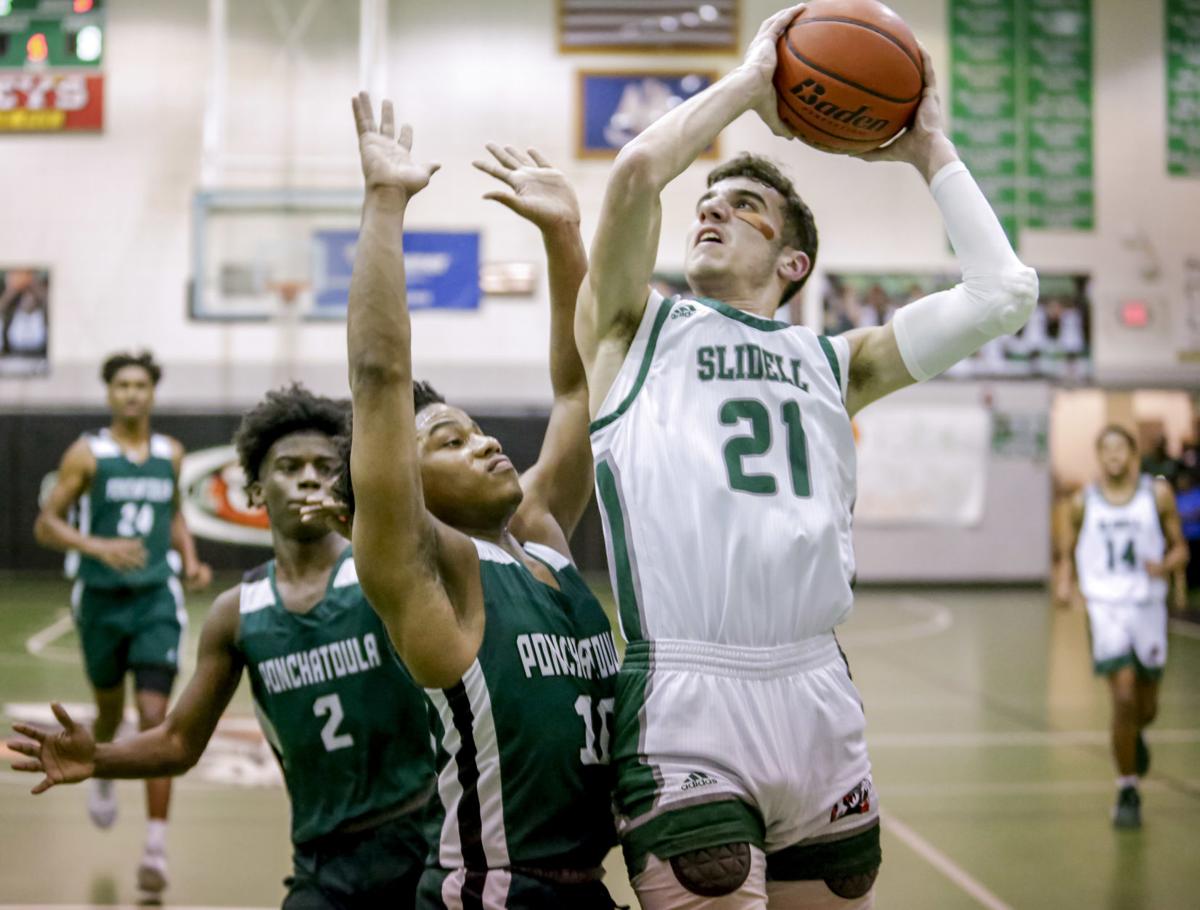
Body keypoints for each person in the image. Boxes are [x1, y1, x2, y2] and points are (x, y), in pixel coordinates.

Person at [576, 6, 1039, 907]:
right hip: (688, 691)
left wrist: (928, 149)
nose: (712, 211)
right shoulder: (634, 332)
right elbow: (637, 173)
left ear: (792, 263)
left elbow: (1002, 291)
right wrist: (752, 85)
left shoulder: (839, 361)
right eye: (706, 205)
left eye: (743, 206)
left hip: (817, 688)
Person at [12, 384, 438, 909]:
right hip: (322, 857)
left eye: (326, 466)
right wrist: (98, 758)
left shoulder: (382, 573)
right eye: (289, 466)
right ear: (255, 492)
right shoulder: (237, 614)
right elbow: (177, 742)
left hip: (425, 840)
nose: (308, 476)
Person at [345, 93, 618, 908]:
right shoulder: (432, 570)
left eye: (478, 430)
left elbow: (577, 389)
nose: (488, 442)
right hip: (496, 893)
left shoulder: (541, 539)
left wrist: (565, 237)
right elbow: (380, 379)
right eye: (450, 443)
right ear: (410, 484)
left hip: (589, 887)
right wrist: (386, 201)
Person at [31, 349, 212, 897]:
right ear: (110, 393)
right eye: (123, 385)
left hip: (157, 597)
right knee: (109, 710)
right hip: (102, 602)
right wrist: (97, 546)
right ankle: (102, 767)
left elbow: (174, 511)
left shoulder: (171, 453)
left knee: (156, 716)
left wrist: (191, 554)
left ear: (152, 393)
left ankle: (155, 847)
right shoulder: (88, 454)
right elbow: (46, 524)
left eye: (141, 385)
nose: (133, 393)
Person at [1055, 425, 1189, 829]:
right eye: (1106, 449)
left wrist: (1166, 566)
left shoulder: (1156, 495)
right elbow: (1068, 549)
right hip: (1106, 607)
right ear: (1098, 455)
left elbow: (1180, 547)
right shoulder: (1083, 501)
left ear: (1132, 453)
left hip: (1147, 606)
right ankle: (1127, 787)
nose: (1113, 456)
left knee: (1146, 707)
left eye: (1120, 448)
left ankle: (1136, 736)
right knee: (1125, 696)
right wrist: (1065, 583)